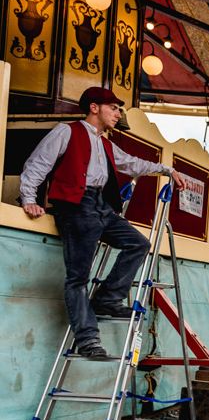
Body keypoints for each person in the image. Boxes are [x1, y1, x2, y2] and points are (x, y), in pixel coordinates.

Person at [20, 87, 187, 359]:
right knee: (78, 278)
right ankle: (88, 340)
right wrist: (29, 197)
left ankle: (108, 299)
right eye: (113, 108)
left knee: (138, 243)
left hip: (100, 206)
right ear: (94, 107)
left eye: (119, 109)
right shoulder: (67, 131)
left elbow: (132, 164)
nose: (118, 113)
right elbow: (38, 164)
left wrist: (167, 170)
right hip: (75, 206)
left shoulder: (105, 143)